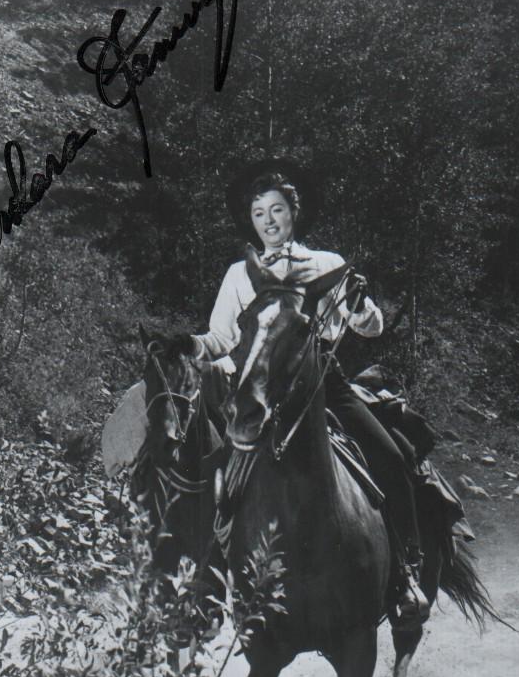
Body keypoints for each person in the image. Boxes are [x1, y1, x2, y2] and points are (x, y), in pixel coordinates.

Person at [170, 159, 430, 628]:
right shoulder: (239, 274)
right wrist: (187, 346)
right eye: (259, 214)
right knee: (223, 475)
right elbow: (221, 340)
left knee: (391, 455)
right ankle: (210, 583)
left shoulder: (328, 264)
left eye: (277, 210)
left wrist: (357, 304)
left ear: (295, 211)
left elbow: (371, 327)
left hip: (323, 387)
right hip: (263, 390)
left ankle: (407, 572)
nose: (269, 221)